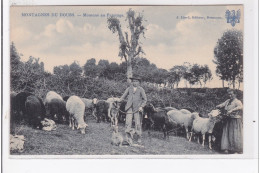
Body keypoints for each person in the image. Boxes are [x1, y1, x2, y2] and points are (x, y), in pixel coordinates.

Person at [119, 76, 147, 144]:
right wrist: (118, 100)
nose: (135, 83)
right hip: (129, 108)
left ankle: (139, 136)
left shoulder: (141, 89)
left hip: (137, 109)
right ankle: (128, 136)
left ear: (139, 82)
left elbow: (145, 99)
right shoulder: (129, 89)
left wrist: (141, 106)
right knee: (128, 122)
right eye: (134, 81)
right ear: (132, 82)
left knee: (137, 123)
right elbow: (123, 96)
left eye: (136, 81)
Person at [216, 88, 243, 154]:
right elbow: (222, 104)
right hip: (228, 119)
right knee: (227, 133)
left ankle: (236, 150)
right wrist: (218, 106)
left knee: (234, 134)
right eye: (229, 95)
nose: (230, 96)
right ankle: (227, 148)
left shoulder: (237, 101)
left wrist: (232, 110)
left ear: (235, 94)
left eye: (231, 94)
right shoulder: (228, 101)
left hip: (235, 120)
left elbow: (240, 107)